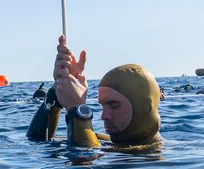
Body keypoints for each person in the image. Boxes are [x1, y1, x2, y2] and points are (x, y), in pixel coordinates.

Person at [27, 36, 162, 149]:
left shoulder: (152, 155)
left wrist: (77, 110)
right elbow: (37, 141)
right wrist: (59, 88)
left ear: (145, 106)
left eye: (114, 105)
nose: (104, 116)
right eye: (103, 106)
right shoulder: (109, 142)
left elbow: (83, 164)